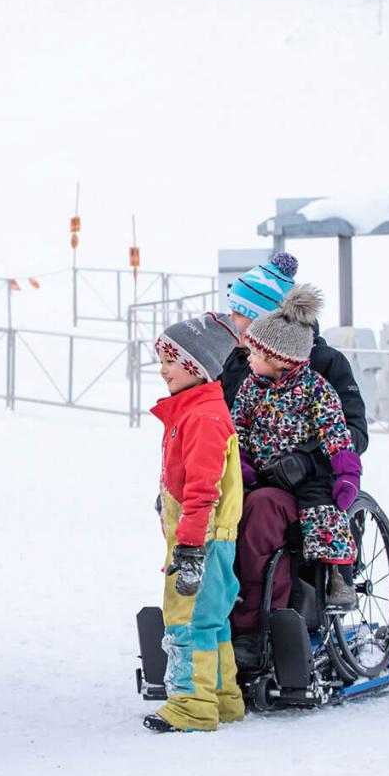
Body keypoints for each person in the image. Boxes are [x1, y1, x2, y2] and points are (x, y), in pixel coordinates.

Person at [225, 285, 361, 672]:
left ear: (276, 356)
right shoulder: (249, 382)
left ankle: (336, 577)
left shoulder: (320, 382)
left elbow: (342, 430)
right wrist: (241, 463)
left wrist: (328, 465)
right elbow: (236, 428)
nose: (246, 354)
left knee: (308, 512)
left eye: (241, 314)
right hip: (260, 475)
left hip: (309, 478)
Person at [143, 314, 245, 733]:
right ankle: (223, 697)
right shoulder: (196, 411)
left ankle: (191, 703)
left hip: (198, 540)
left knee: (186, 619)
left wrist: (188, 550)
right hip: (209, 539)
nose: (163, 369)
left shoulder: (202, 417)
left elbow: (204, 490)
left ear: (197, 367)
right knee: (213, 620)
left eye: (171, 360)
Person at [222, 252, 368, 454]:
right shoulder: (234, 359)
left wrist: (306, 462)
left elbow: (355, 431)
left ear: (264, 321)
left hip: (311, 482)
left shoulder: (325, 362)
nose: (230, 319)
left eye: (239, 313)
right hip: (245, 478)